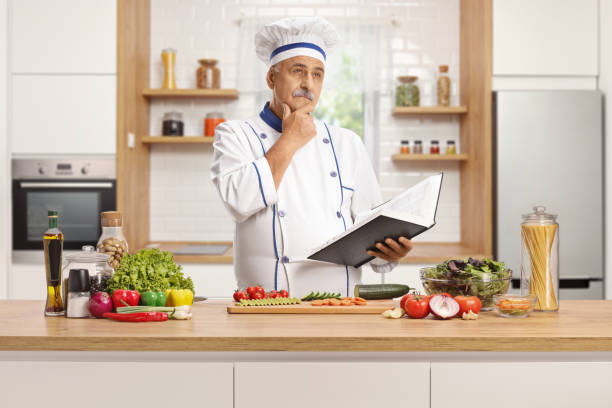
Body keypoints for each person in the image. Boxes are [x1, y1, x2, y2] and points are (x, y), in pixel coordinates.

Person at [211, 17, 412, 297]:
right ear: (271, 77)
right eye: (298, 71)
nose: (308, 83)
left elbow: (370, 231)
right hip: (266, 306)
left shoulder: (348, 143)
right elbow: (240, 202)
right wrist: (290, 139)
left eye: (317, 74)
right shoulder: (234, 134)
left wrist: (389, 251)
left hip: (339, 305)